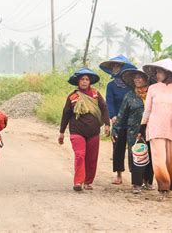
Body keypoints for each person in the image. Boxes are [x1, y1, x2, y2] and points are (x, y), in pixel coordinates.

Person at [140, 58, 172, 201]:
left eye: (160, 72)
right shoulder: (153, 88)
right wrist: (142, 126)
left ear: (168, 73)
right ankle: (163, 187)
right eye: (156, 72)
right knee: (158, 159)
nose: (157, 75)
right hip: (155, 128)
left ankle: (170, 187)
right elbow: (147, 110)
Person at [59, 67, 110, 192]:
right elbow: (66, 114)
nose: (84, 81)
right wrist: (61, 132)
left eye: (87, 79)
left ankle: (88, 181)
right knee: (80, 155)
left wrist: (107, 124)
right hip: (77, 131)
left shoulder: (96, 94)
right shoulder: (72, 97)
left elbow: (104, 109)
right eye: (82, 79)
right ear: (78, 81)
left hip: (94, 132)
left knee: (92, 158)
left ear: (90, 81)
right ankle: (78, 181)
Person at [113, 67, 154, 194]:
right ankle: (137, 184)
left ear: (146, 79)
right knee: (137, 155)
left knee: (151, 155)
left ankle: (148, 181)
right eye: (135, 78)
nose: (137, 79)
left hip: (152, 129)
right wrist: (116, 129)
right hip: (134, 131)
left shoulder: (153, 95)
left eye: (140, 77)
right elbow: (122, 114)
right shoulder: (129, 95)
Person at [99, 55, 136, 185]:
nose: (114, 68)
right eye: (113, 66)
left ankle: (135, 176)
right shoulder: (111, 86)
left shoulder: (132, 85)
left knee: (134, 149)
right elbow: (109, 102)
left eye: (117, 66)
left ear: (123, 68)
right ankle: (119, 175)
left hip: (132, 121)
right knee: (118, 148)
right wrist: (113, 117)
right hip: (118, 121)